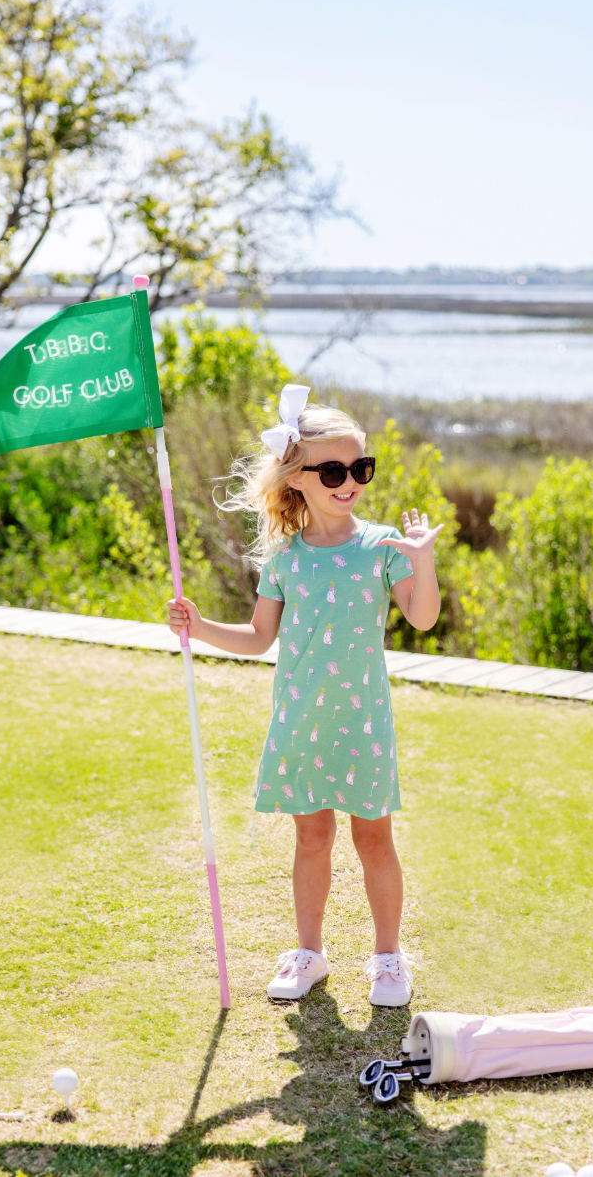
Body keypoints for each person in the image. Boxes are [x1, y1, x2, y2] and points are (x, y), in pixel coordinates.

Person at [168, 384, 444, 1006]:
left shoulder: (380, 547)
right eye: (335, 470)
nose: (350, 482)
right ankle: (309, 953)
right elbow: (259, 636)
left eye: (361, 468)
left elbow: (422, 618)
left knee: (375, 839)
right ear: (297, 478)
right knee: (311, 839)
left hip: (362, 722)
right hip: (301, 722)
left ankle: (387, 958)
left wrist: (422, 561)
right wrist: (199, 625)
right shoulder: (286, 558)